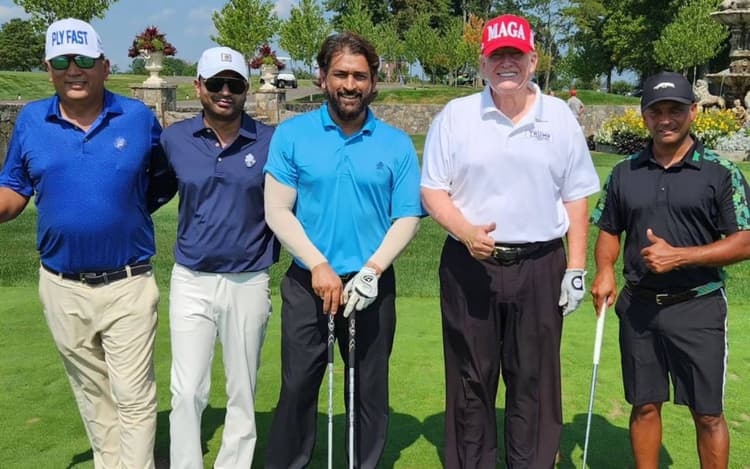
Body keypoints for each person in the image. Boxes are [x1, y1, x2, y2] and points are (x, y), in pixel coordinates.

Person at [421, 14, 600, 468]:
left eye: (515, 55)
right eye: (497, 55)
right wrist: (465, 231)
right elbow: (433, 190)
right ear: (483, 63)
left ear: (532, 60)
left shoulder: (559, 117)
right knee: (471, 377)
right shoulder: (456, 116)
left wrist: (576, 267)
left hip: (541, 265)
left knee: (534, 379)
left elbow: (576, 196)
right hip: (469, 265)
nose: (506, 64)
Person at [0, 18, 173, 468]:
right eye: (61, 61)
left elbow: (162, 182)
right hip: (61, 285)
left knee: (133, 396)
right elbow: (14, 190)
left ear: (104, 66)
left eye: (83, 60)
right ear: (48, 68)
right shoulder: (31, 120)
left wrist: (123, 212)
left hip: (128, 282)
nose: (73, 70)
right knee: (93, 396)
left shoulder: (137, 118)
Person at [263, 32, 423, 469]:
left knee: (368, 389)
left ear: (373, 82)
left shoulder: (395, 144)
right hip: (308, 282)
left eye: (360, 76)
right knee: (298, 386)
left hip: (371, 284)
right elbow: (277, 210)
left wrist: (372, 269)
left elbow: (407, 216)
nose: (350, 85)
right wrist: (317, 264)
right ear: (322, 77)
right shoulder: (292, 135)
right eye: (340, 74)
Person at [590, 71, 750, 468]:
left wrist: (680, 256)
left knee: (707, 413)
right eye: (656, 111)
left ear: (693, 112)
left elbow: (745, 241)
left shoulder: (720, 172)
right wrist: (605, 269)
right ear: (644, 115)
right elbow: (609, 228)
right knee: (645, 405)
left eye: (675, 110)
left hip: (698, 306)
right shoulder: (624, 172)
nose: (665, 119)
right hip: (639, 307)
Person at [160, 47, 278, 469]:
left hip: (249, 279)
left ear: (246, 89)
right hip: (190, 278)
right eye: (216, 83)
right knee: (187, 390)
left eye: (235, 84)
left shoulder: (269, 141)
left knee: (242, 390)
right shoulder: (174, 139)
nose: (225, 92)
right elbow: (152, 191)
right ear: (199, 87)